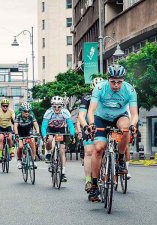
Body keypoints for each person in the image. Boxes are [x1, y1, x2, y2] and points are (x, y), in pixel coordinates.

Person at [87, 64, 138, 202]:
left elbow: (134, 113)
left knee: (126, 128)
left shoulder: (130, 90)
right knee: (98, 149)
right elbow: (91, 111)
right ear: (108, 79)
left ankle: (120, 159)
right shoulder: (99, 88)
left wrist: (133, 125)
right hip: (101, 118)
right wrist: (91, 124)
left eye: (119, 82)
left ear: (123, 80)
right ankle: (94, 185)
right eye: (113, 81)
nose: (116, 85)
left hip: (119, 117)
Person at [77, 77, 104, 193]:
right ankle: (89, 180)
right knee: (89, 152)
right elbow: (81, 116)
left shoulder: (108, 97)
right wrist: (84, 127)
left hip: (103, 125)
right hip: (89, 126)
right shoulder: (86, 98)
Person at [41, 96, 75, 182]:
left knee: (62, 150)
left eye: (59, 106)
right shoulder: (48, 112)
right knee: (49, 139)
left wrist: (72, 135)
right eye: (54, 106)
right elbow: (44, 126)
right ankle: (48, 153)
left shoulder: (65, 112)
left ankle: (63, 173)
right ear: (51, 106)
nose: (56, 108)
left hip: (61, 130)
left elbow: (70, 125)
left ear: (62, 106)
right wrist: (44, 136)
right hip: (51, 129)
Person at [14, 102, 40, 169]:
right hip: (20, 133)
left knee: (32, 141)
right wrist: (16, 134)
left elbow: (36, 124)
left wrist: (37, 132)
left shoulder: (31, 116)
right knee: (20, 146)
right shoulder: (18, 116)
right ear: (22, 111)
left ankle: (33, 160)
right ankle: (19, 160)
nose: (27, 113)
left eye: (28, 111)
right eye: (25, 111)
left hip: (28, 132)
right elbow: (15, 126)